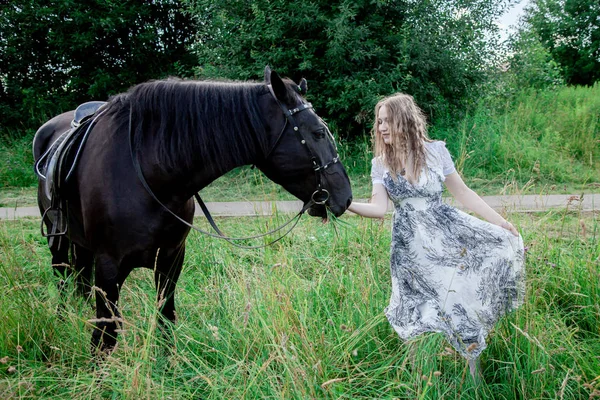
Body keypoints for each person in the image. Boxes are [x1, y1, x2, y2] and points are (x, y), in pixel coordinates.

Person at [347, 93, 525, 379]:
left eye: (387, 121)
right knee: (415, 304)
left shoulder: (436, 152)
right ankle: (420, 376)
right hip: (408, 246)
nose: (380, 128)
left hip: (445, 237)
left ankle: (473, 374)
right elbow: (378, 208)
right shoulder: (380, 163)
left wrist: (500, 222)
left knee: (456, 298)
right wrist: (345, 205)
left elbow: (464, 193)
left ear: (404, 121)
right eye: (378, 122)